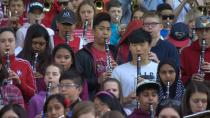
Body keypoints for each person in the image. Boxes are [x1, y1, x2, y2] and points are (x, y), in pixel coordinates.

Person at [112, 28, 158, 111]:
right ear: (129, 46)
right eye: (134, 45)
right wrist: (127, 99)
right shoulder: (118, 71)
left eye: (142, 44)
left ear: (150, 45)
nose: (138, 49)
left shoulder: (158, 68)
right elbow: (110, 101)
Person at [75, 12, 118, 99]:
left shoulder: (116, 52)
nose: (105, 32)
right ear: (93, 31)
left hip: (113, 98)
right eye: (101, 29)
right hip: (92, 99)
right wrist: (97, 80)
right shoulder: (82, 54)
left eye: (108, 29)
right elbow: (77, 82)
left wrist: (118, 70)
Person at [0, 27, 36, 104]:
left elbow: (34, 94)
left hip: (20, 111)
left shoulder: (25, 64)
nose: (7, 44)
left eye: (10, 40)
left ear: (15, 43)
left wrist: (20, 83)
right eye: (3, 41)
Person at [18, 24, 52, 92]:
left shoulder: (51, 59)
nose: (37, 46)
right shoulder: (20, 59)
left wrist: (44, 77)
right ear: (28, 42)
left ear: (47, 43)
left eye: (41, 44)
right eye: (34, 43)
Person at [181, 15, 210, 85]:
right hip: (193, 91)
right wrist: (190, 79)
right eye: (200, 30)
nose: (204, 33)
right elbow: (180, 76)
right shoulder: (186, 52)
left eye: (207, 30)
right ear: (196, 31)